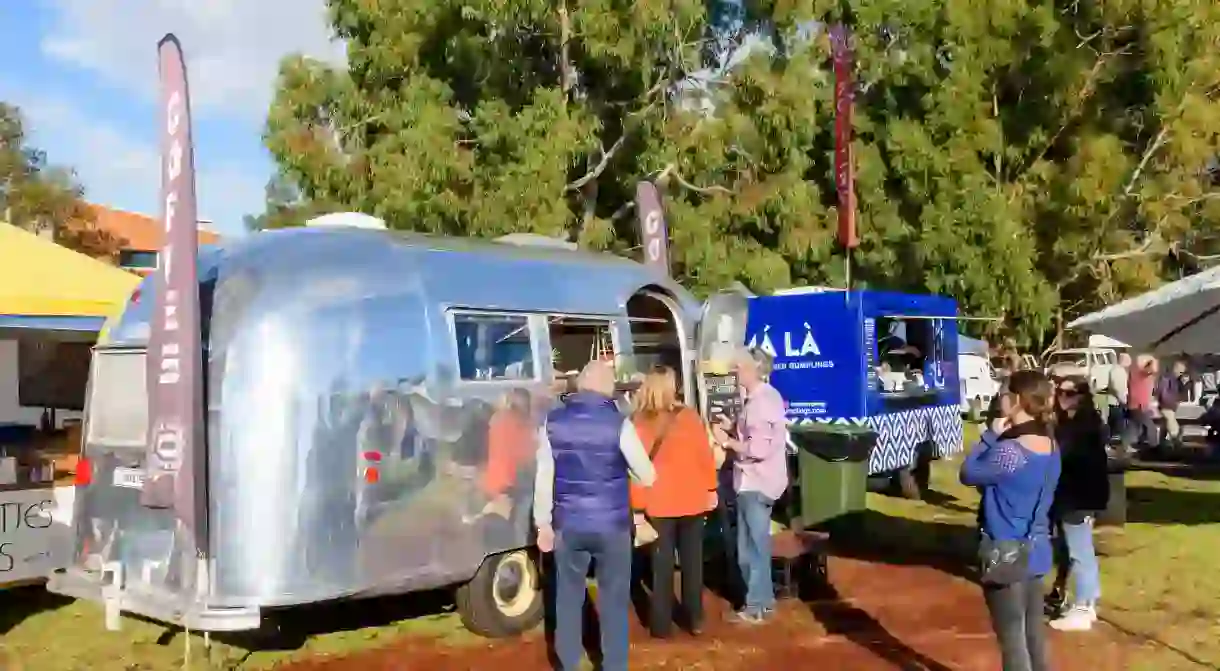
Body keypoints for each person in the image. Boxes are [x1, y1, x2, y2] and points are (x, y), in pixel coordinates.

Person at [533, 360, 656, 671]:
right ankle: (614, 665)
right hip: (612, 525)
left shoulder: (552, 423)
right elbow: (647, 475)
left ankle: (568, 662)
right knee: (614, 599)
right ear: (607, 387)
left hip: (568, 523)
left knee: (568, 597)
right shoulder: (619, 424)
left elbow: (544, 476)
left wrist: (542, 523)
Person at [960, 370, 1061, 671]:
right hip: (1037, 548)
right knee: (1034, 635)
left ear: (1017, 401)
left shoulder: (1010, 451)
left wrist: (990, 435)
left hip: (1005, 551)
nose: (999, 398)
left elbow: (968, 473)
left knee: (1013, 640)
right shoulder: (1052, 446)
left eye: (1004, 393)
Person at [629, 366, 719, 638]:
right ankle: (695, 619)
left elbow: (635, 471)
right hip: (692, 500)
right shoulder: (690, 417)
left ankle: (660, 624)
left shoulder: (639, 422)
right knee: (693, 563)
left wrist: (637, 508)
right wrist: (711, 489)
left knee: (661, 566)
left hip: (659, 504)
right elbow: (705, 457)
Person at [711, 347, 788, 625]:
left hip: (755, 481)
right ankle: (763, 602)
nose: (735, 371)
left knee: (750, 548)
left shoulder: (759, 403)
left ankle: (755, 606)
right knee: (757, 544)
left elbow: (757, 448)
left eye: (738, 367)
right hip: (761, 481)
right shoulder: (765, 398)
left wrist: (727, 443)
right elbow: (757, 434)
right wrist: (733, 426)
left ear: (752, 369)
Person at [1048, 376, 1110, 632]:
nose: (1063, 397)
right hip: (1078, 495)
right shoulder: (1077, 424)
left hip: (1079, 497)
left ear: (1083, 396)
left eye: (1069, 393)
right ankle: (1087, 603)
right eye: (1059, 392)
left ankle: (1083, 606)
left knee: (1080, 551)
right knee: (1078, 549)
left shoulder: (1081, 427)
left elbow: (1061, 456)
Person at [1124, 355, 1158, 452]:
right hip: (1137, 405)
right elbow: (1147, 372)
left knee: (1135, 426)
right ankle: (1154, 446)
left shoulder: (1141, 376)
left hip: (1138, 405)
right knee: (1149, 426)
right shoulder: (1139, 375)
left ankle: (1128, 445)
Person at [1157, 360, 1190, 451]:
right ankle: (1177, 447)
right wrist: (1171, 402)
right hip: (1167, 406)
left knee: (1166, 426)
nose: (1181, 374)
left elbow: (1180, 392)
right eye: (1180, 371)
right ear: (1175, 369)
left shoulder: (1174, 379)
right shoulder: (1167, 378)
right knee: (1173, 428)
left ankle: (1162, 447)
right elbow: (1163, 393)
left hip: (1168, 406)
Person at [1106, 353, 1131, 444]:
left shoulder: (1115, 370)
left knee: (1113, 425)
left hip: (1114, 402)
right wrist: (1124, 401)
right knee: (1118, 426)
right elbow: (1118, 388)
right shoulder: (1119, 371)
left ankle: (1110, 443)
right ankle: (1119, 445)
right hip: (1117, 402)